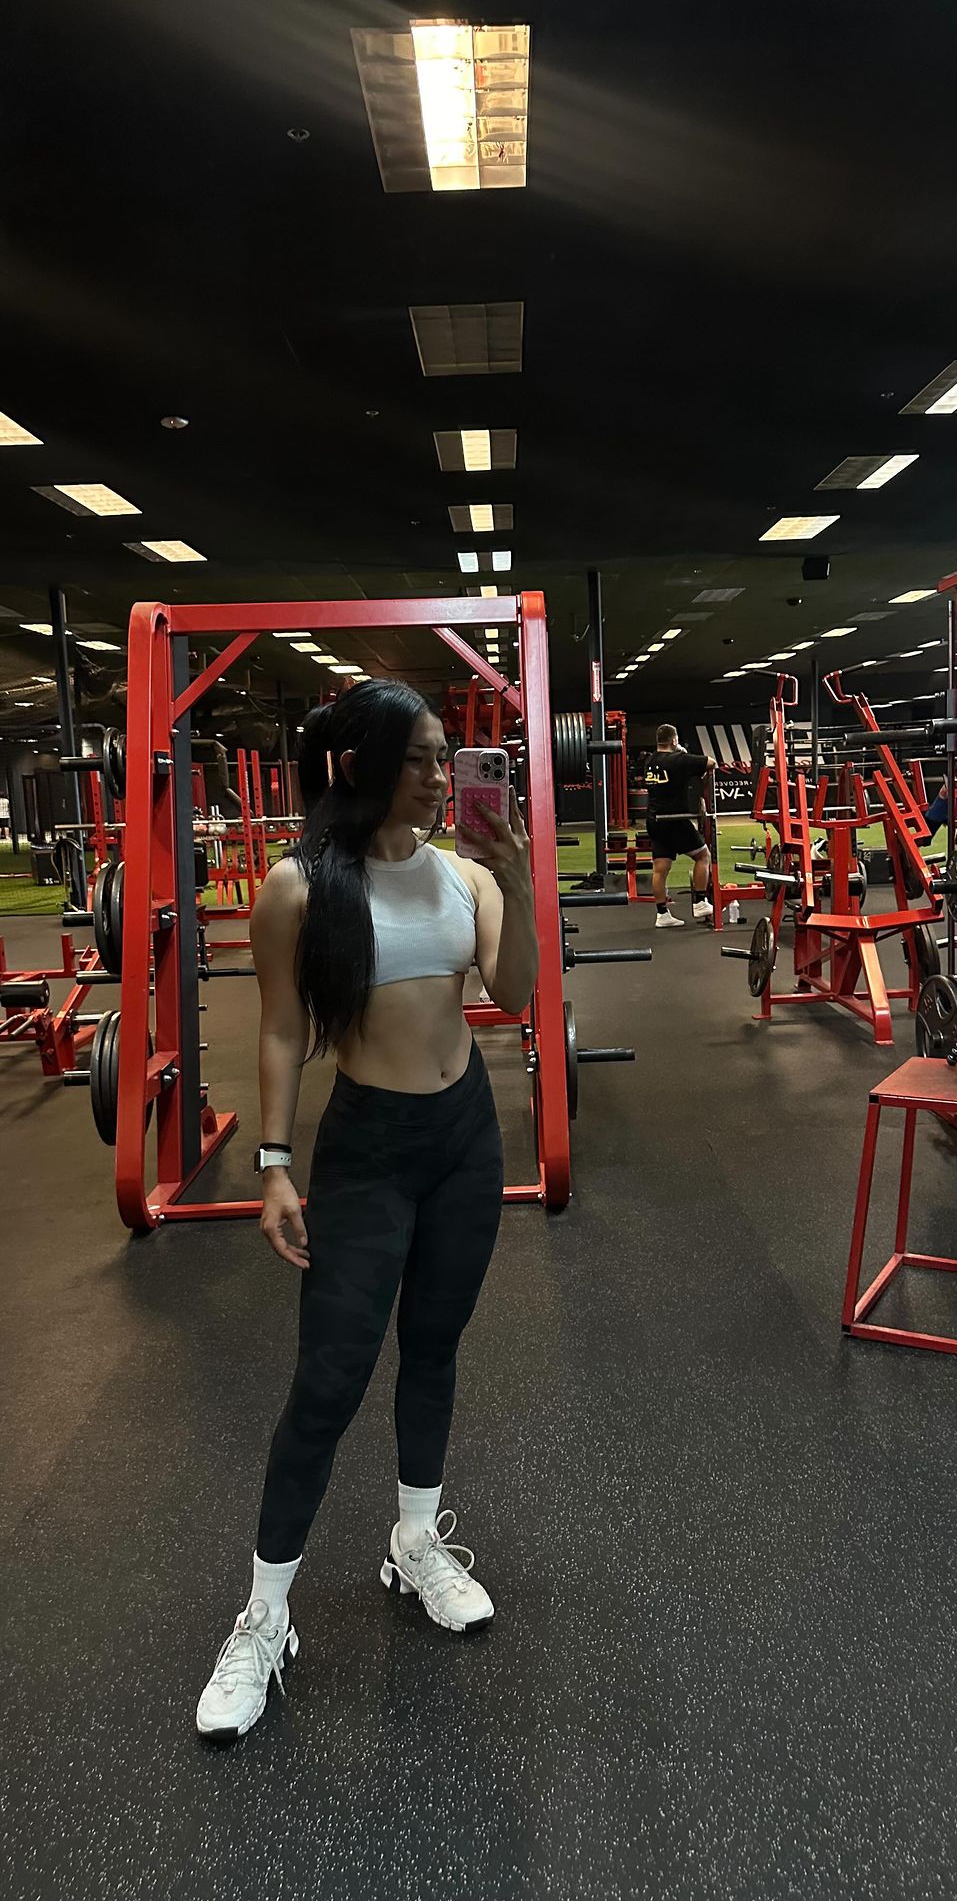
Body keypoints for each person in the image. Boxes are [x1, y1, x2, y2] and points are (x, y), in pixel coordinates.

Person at [196, 680, 538, 1742]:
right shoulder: (298, 887)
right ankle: (264, 1616)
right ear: (359, 765)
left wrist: (522, 882)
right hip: (368, 1151)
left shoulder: (466, 876)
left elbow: (515, 995)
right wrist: (273, 1164)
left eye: (446, 759)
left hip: (464, 1139)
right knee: (329, 1380)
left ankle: (414, 1543)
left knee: (433, 1347)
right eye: (420, 759)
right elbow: (280, 1030)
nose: (440, 777)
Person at [642, 725, 716, 929]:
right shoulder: (680, 759)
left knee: (660, 869)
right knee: (703, 856)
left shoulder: (649, 761)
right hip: (675, 820)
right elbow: (712, 763)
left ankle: (662, 914)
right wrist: (682, 751)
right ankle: (700, 902)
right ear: (674, 740)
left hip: (654, 820)